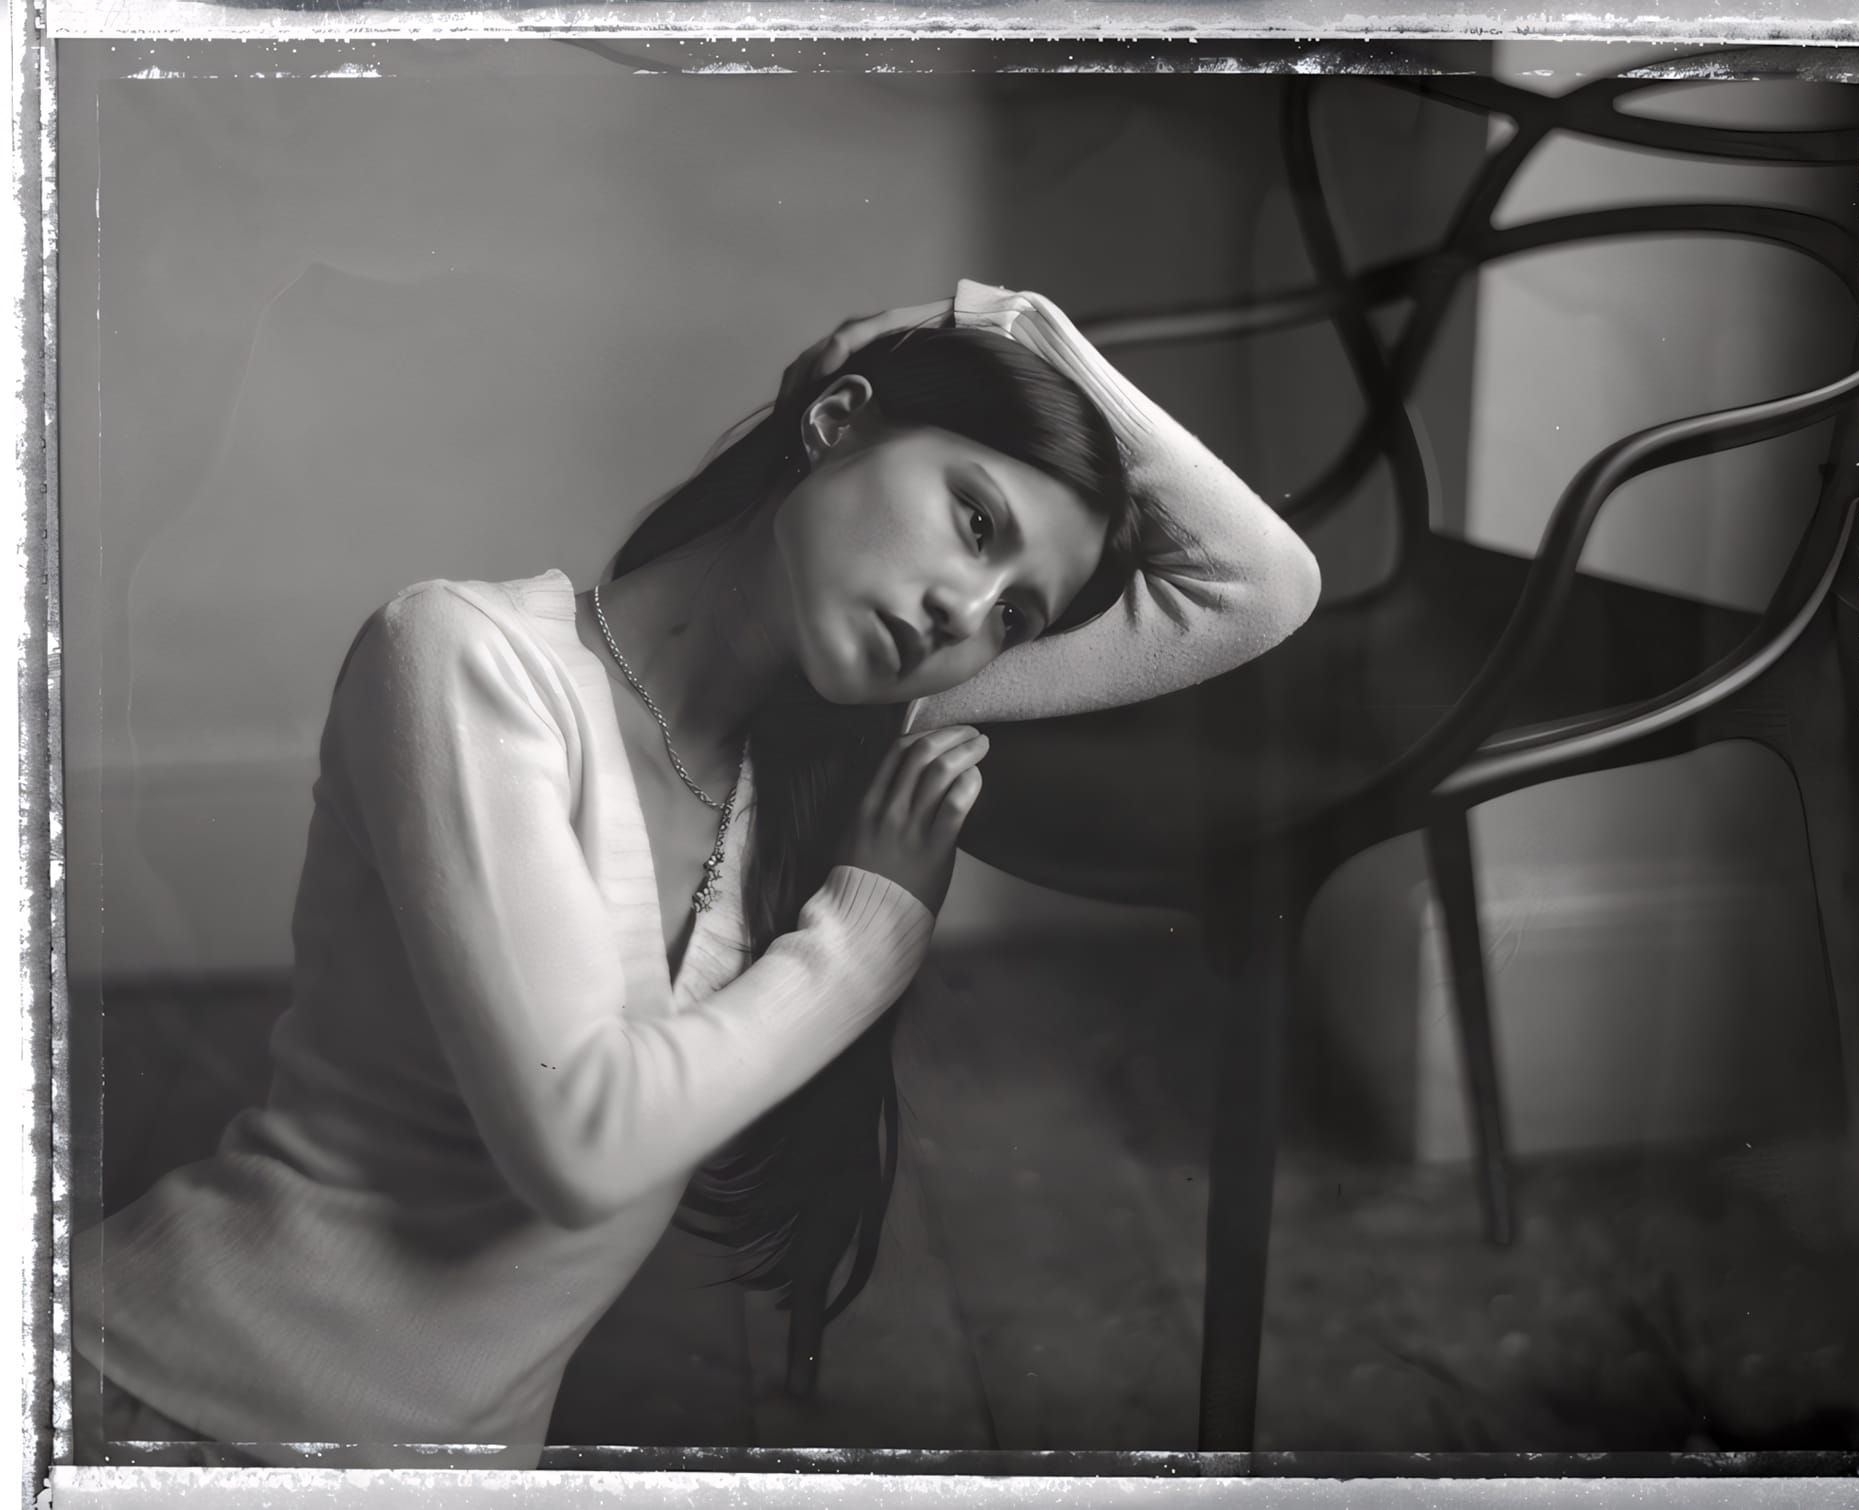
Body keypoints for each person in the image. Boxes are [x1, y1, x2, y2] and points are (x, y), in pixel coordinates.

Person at [71, 280, 1323, 1467]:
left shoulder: (825, 760)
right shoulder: (462, 659)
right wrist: (867, 933)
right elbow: (582, 1144)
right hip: (157, 1405)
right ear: (835, 423)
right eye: (975, 521)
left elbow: (1258, 586)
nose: (966, 612)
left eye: (1014, 617)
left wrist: (1002, 319)